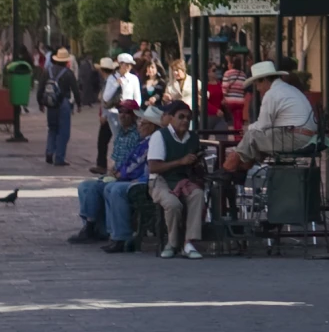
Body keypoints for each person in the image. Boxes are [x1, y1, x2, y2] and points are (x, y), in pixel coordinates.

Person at [69, 90, 149, 248]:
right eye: (121, 111)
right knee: (86, 186)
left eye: (127, 112)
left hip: (129, 177)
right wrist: (112, 171)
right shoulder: (120, 134)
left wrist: (118, 174)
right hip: (119, 174)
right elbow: (118, 159)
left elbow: (134, 163)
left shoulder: (138, 137)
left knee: (107, 188)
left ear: (134, 116)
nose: (123, 115)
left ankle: (110, 232)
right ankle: (92, 225)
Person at [223, 60, 316, 173]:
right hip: (306, 137)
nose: (257, 88)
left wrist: (248, 129)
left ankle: (224, 173)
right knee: (254, 143)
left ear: (265, 80)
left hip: (295, 138)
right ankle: (239, 172)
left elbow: (262, 125)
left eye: (257, 84)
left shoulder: (272, 94)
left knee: (251, 136)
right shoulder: (290, 89)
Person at [148, 94, 207, 258]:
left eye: (188, 118)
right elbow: (153, 167)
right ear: (171, 118)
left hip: (183, 180)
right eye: (181, 117)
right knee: (173, 204)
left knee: (197, 195)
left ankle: (189, 242)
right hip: (160, 181)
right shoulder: (160, 136)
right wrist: (180, 162)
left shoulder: (192, 138)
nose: (185, 121)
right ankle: (172, 243)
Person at [40, 48, 77, 167]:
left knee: (52, 128)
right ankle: (59, 158)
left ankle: (49, 151)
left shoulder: (47, 71)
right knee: (63, 132)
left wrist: (41, 102)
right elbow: (75, 89)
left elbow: (41, 87)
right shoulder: (68, 73)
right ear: (66, 61)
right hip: (63, 103)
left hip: (51, 103)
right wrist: (79, 104)